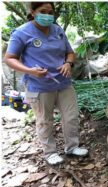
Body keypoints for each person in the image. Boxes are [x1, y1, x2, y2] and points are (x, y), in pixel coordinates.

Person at [4, 2, 88, 166]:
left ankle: (72, 147)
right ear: (32, 12)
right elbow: (9, 58)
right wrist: (30, 71)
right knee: (44, 120)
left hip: (63, 83)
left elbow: (70, 53)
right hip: (39, 86)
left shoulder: (58, 30)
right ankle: (50, 152)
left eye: (50, 12)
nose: (48, 15)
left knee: (71, 117)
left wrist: (68, 64)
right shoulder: (21, 33)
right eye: (43, 11)